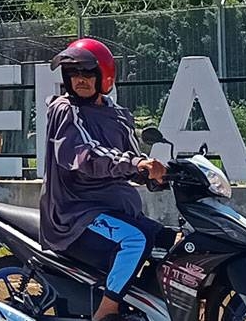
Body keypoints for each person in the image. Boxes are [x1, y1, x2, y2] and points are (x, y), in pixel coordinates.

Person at [39, 38, 167, 321]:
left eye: (87, 73)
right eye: (74, 74)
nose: (80, 80)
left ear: (104, 77)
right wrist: (135, 163)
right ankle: (106, 311)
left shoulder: (119, 116)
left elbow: (131, 159)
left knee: (170, 242)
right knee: (135, 240)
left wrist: (159, 175)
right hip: (76, 214)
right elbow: (86, 156)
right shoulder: (66, 110)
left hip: (113, 211)